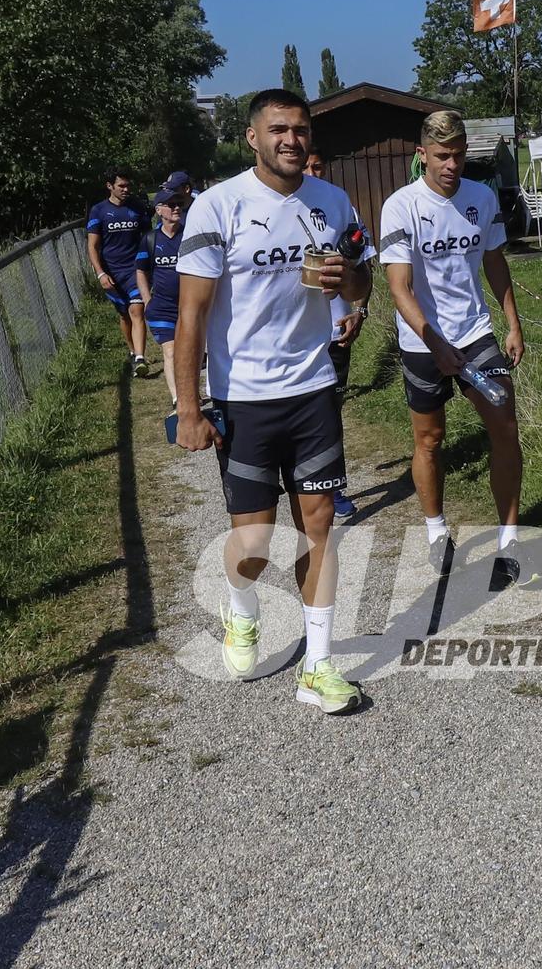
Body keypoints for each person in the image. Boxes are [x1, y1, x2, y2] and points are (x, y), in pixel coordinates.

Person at [173, 89, 375, 715]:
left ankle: (317, 666)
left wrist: (353, 282)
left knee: (320, 527)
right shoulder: (218, 205)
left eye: (301, 130)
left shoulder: (333, 201)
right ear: (252, 137)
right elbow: (191, 316)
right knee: (255, 544)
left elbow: (363, 275)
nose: (292, 140)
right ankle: (241, 609)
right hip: (245, 398)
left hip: (313, 388)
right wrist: (189, 408)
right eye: (279, 129)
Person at [379, 109, 531, 589]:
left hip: (475, 334)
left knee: (504, 426)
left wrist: (513, 323)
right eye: (442, 156)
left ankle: (508, 543)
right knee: (430, 439)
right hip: (422, 342)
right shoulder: (401, 206)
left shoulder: (481, 197)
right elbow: (399, 288)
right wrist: (433, 343)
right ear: (422, 154)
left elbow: (494, 262)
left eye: (459, 155)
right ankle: (436, 530)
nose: (451, 165)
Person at [305, 151, 367, 519]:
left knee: (330, 410)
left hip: (335, 329)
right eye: (308, 166)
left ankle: (333, 487)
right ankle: (301, 484)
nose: (313, 172)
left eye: (318, 166)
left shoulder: (339, 204)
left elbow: (364, 263)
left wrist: (359, 309)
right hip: (292, 338)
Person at [87, 170, 151, 376]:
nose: (126, 190)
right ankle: (133, 351)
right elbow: (93, 246)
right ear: (110, 186)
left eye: (128, 186)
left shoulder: (138, 208)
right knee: (124, 315)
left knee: (137, 311)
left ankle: (140, 358)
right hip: (112, 272)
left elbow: (148, 238)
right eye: (121, 186)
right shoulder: (99, 211)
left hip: (135, 270)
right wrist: (100, 273)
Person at [139, 175, 190, 409]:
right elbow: (140, 271)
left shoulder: (190, 235)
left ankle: (190, 394)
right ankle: (177, 398)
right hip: (162, 308)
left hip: (189, 306)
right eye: (171, 205)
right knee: (169, 352)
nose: (177, 208)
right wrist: (147, 300)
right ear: (160, 210)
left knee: (188, 353)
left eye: (179, 204)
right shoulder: (150, 239)